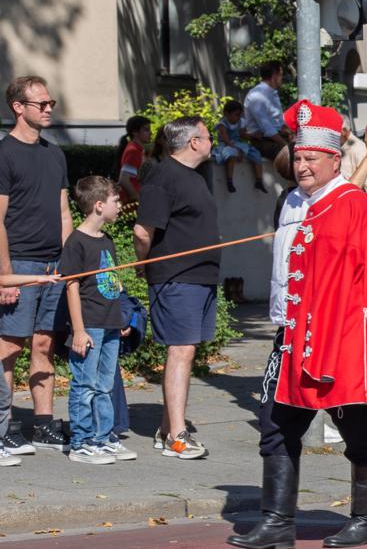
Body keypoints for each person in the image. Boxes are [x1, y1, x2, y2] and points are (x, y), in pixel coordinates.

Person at [230, 101, 367, 549]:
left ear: (333, 160)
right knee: (276, 423)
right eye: (298, 157)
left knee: (358, 428)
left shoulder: (351, 204)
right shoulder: (295, 201)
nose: (303, 166)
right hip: (293, 335)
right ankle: (277, 521)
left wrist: (360, 344)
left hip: (341, 337)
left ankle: (366, 519)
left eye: (312, 158)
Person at [133, 116, 220, 459]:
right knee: (181, 350)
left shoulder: (194, 176)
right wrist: (143, 264)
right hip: (176, 277)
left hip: (199, 277)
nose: (212, 142)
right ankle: (178, 437)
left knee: (187, 350)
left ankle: (166, 428)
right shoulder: (163, 176)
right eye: (208, 136)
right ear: (193, 142)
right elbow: (143, 231)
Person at [0, 76, 73, 453]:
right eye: (41, 104)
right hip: (20, 264)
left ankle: (43, 424)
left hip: (53, 265)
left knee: (44, 342)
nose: (48, 109)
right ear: (18, 107)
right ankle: (4, 426)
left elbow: (64, 213)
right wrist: (5, 276)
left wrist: (70, 263)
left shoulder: (54, 154)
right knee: (9, 346)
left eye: (50, 103)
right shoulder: (4, 154)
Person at [60, 177, 133, 464]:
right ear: (99, 205)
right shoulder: (76, 242)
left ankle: (102, 438)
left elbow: (113, 282)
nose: (120, 205)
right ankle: (80, 442)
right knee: (85, 384)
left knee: (105, 385)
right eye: (116, 201)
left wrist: (122, 317)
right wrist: (78, 330)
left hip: (110, 323)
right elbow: (71, 287)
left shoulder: (107, 241)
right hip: (89, 325)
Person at [211, 99, 265, 193]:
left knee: (255, 154)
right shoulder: (222, 124)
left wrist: (253, 136)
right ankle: (229, 181)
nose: (238, 117)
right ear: (227, 114)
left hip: (237, 144)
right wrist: (237, 150)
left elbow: (242, 134)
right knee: (232, 155)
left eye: (240, 115)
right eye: (236, 115)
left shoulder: (241, 122)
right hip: (226, 145)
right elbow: (226, 140)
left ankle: (259, 180)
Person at [242, 62, 288, 160]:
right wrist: (286, 145)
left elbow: (279, 122)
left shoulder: (272, 93)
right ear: (274, 76)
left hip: (276, 138)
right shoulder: (256, 96)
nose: (282, 78)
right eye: (281, 74)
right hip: (262, 141)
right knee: (293, 155)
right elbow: (267, 129)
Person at [117, 116, 151, 204]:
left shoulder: (138, 150)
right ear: (135, 132)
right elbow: (124, 180)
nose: (150, 133)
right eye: (146, 130)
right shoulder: (133, 151)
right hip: (132, 203)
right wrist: (137, 199)